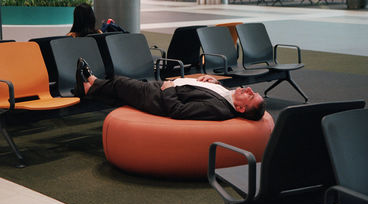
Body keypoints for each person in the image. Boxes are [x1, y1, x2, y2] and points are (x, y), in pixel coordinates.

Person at [74, 58, 266, 121]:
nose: (248, 89)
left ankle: (89, 83)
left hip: (160, 97)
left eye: (250, 95)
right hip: (170, 87)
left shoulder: (219, 110)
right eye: (252, 91)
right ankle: (89, 86)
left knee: (120, 83)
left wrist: (168, 89)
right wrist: (212, 83)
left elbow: (179, 111)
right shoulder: (228, 97)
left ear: (241, 109)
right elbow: (207, 94)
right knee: (120, 93)